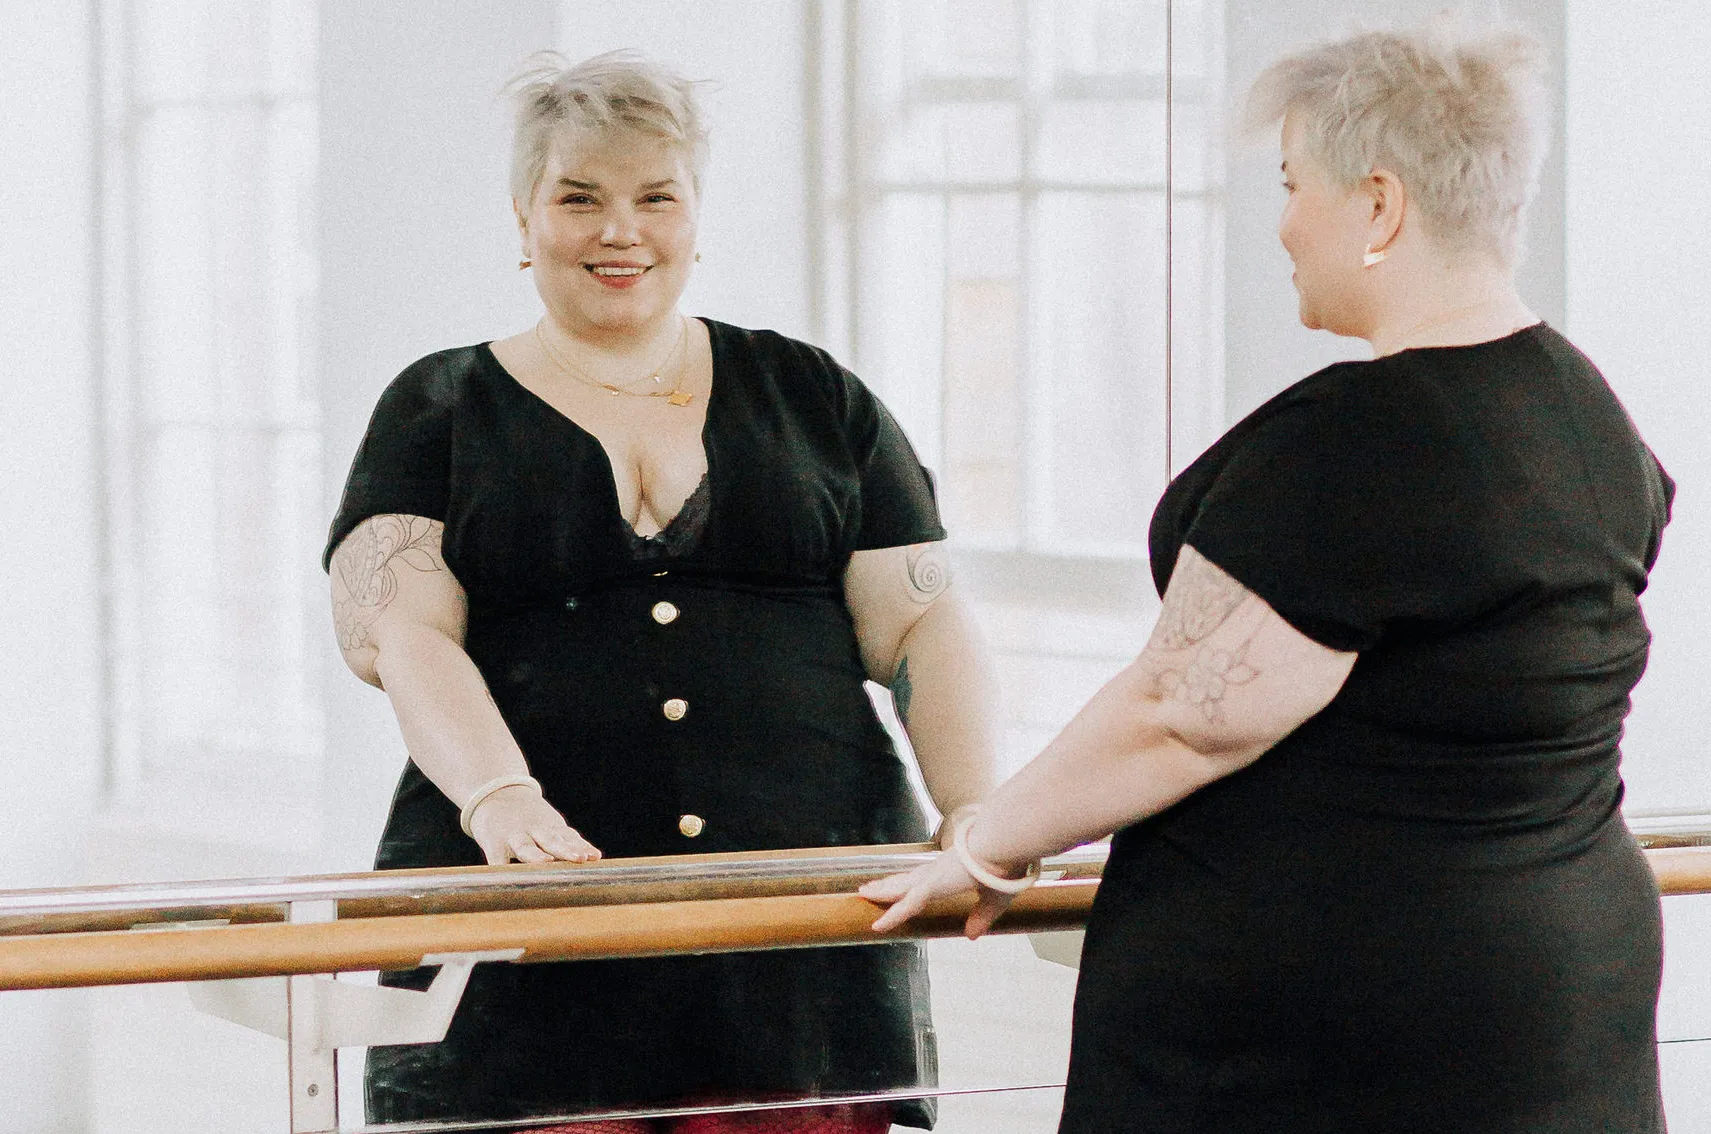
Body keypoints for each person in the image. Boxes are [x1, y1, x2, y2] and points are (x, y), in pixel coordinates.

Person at [863, 19, 1674, 1134]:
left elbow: (1182, 717)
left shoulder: (1364, 438)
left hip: (1349, 1031)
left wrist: (987, 845)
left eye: (1294, 183)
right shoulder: (1582, 413)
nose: (1283, 223)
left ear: (1379, 205)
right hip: (1550, 970)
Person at [324, 49, 997, 1134]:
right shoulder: (437, 405)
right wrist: (503, 799)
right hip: (525, 938)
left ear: (695, 216)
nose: (617, 230)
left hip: (796, 946)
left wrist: (976, 813)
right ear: (523, 215)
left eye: (655, 197)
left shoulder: (815, 394)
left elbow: (920, 620)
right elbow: (403, 633)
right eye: (578, 197)